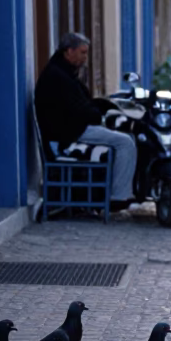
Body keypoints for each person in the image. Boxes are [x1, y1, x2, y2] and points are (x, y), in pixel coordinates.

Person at [34, 33, 137, 209]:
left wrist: (104, 109)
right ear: (69, 51)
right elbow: (78, 110)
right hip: (68, 134)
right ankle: (119, 197)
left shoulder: (62, 72)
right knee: (125, 142)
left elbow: (81, 103)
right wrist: (99, 116)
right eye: (82, 53)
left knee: (122, 137)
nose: (85, 58)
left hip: (72, 129)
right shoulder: (57, 76)